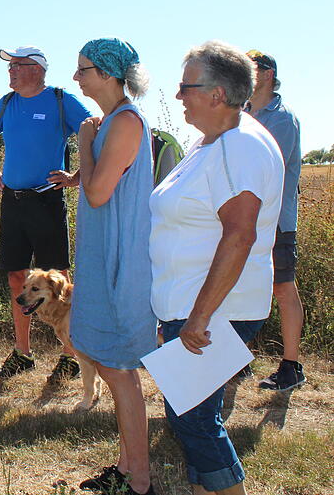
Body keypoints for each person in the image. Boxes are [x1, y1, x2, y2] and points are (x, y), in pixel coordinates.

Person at [150, 41, 283, 495]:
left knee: (195, 421)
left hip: (212, 310)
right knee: (192, 415)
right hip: (192, 305)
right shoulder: (211, 142)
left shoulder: (239, 146)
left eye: (186, 86)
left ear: (218, 94)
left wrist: (200, 316)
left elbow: (240, 234)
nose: (177, 95)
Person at [59, 39, 156, 495]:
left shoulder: (126, 122)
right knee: (112, 364)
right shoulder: (113, 123)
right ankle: (127, 467)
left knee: (119, 371)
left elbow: (98, 194)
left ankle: (138, 478)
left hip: (120, 259)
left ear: (110, 74)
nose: (76, 77)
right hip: (104, 255)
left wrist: (83, 142)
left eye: (84, 70)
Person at [0, 45, 91, 379]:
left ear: (37, 69)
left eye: (16, 65)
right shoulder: (7, 103)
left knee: (59, 278)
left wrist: (76, 177)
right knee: (16, 277)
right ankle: (23, 353)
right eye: (9, 65)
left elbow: (95, 132)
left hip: (46, 200)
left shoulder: (59, 99)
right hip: (12, 202)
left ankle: (71, 353)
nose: (10, 70)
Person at [245, 49, 306, 391]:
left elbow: (264, 170)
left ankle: (292, 366)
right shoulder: (242, 113)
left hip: (275, 222)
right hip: (244, 221)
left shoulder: (282, 119)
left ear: (267, 74)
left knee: (282, 288)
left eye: (250, 69)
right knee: (237, 288)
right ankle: (237, 362)